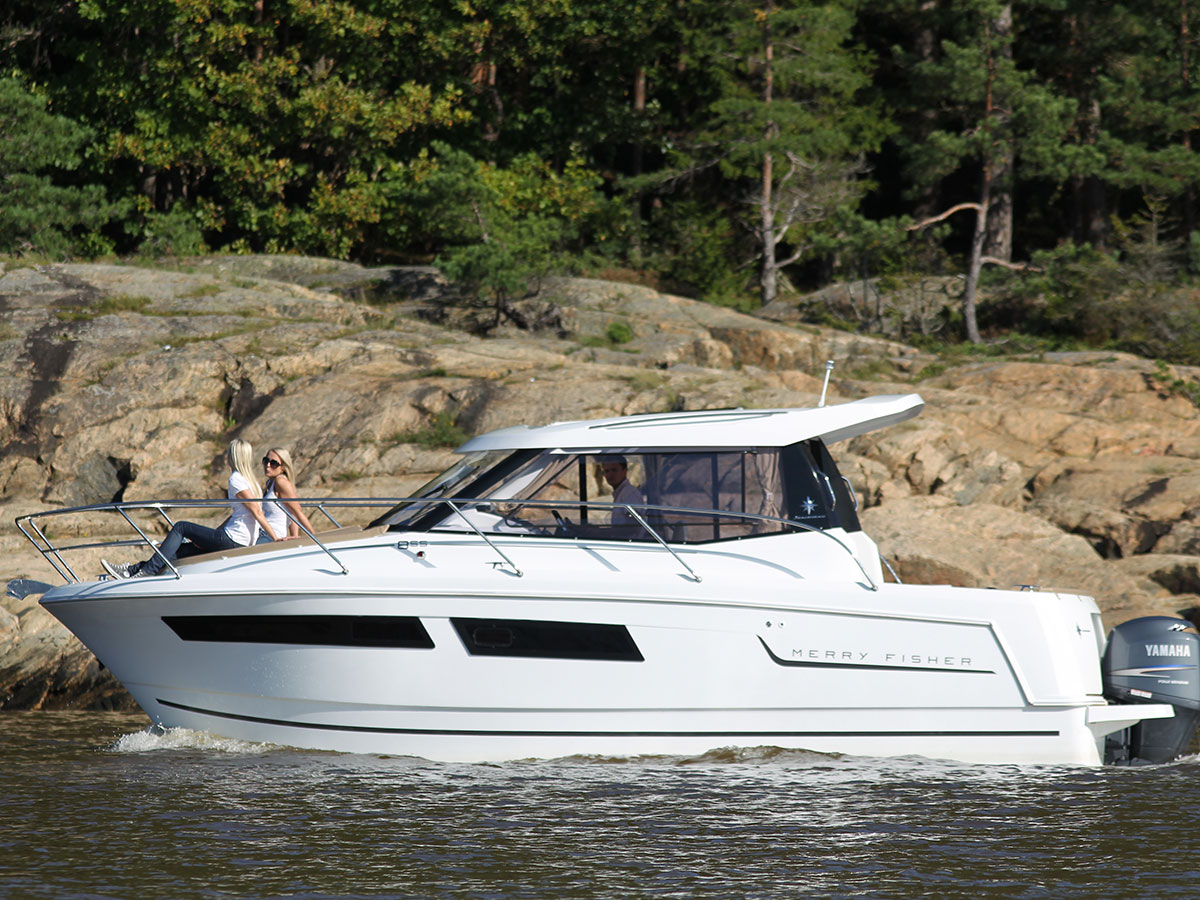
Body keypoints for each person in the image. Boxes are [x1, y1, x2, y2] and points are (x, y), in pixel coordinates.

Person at [102, 439, 278, 578]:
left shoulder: (236, 479)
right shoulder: (252, 482)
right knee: (182, 551)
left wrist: (276, 539)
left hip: (233, 539)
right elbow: (243, 514)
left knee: (181, 527)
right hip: (239, 539)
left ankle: (147, 571)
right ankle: (132, 571)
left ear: (233, 456)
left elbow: (256, 512)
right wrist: (209, 536)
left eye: (228, 453)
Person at [256, 447, 315, 543]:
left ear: (283, 467)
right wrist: (294, 536)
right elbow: (291, 511)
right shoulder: (269, 483)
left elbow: (297, 512)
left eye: (274, 463)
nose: (268, 465)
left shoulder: (280, 482)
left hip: (270, 536)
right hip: (262, 532)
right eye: (266, 461)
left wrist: (315, 537)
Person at [599, 455, 644, 527]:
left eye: (614, 470)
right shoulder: (621, 494)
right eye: (607, 471)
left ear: (625, 471)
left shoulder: (629, 493)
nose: (610, 474)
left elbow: (633, 528)